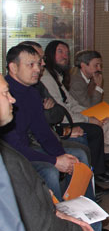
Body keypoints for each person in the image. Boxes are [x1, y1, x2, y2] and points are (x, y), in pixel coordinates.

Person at [0, 74, 75, 231]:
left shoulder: (33, 93)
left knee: (76, 156)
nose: (12, 99)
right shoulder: (7, 158)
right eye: (5, 93)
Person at [3, 44, 93, 201]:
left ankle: (85, 212)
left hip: (26, 149)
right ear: (13, 67)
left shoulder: (32, 93)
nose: (37, 69)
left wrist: (61, 156)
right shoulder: (4, 95)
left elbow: (43, 132)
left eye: (38, 64)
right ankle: (56, 214)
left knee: (77, 157)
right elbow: (13, 147)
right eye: (31, 65)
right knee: (49, 170)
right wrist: (55, 161)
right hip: (9, 156)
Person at [41, 40, 109, 183]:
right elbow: (72, 107)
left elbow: (72, 103)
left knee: (104, 121)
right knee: (95, 130)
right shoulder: (68, 79)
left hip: (70, 115)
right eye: (60, 52)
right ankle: (99, 171)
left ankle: (104, 166)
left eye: (67, 53)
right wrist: (98, 89)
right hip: (61, 121)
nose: (65, 56)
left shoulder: (57, 75)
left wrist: (92, 115)